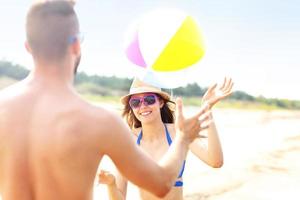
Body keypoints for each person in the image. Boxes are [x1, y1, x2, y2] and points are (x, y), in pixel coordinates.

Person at [0, 1, 212, 200]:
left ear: (28, 46)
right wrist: (183, 139)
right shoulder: (100, 121)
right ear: (76, 45)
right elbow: (162, 183)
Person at [99, 77, 234, 200]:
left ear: (161, 102)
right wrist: (111, 184)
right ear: (132, 107)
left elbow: (215, 161)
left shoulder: (178, 132)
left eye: (149, 100)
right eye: (135, 102)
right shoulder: (129, 141)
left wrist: (207, 109)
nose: (143, 106)